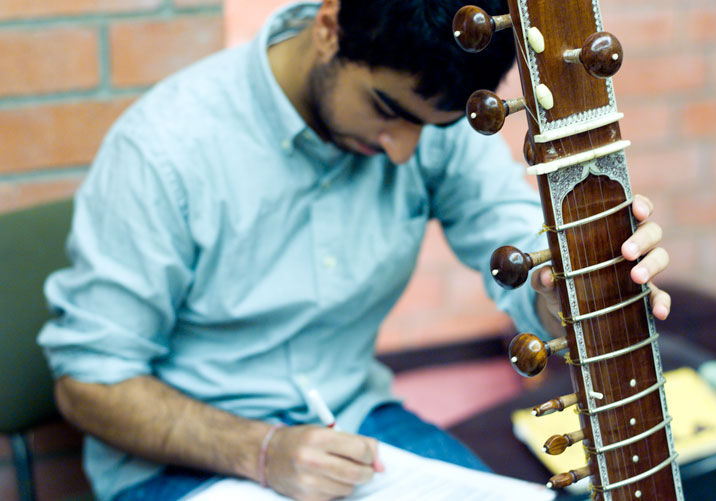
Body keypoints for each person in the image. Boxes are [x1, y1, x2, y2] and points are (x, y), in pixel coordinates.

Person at [38, 0, 671, 500]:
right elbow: (90, 382)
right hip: (186, 462)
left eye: (428, 127)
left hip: (358, 424)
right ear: (329, 25)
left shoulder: (423, 119)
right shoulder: (164, 151)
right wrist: (262, 451)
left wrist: (571, 290)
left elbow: (518, 252)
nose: (402, 151)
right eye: (386, 110)